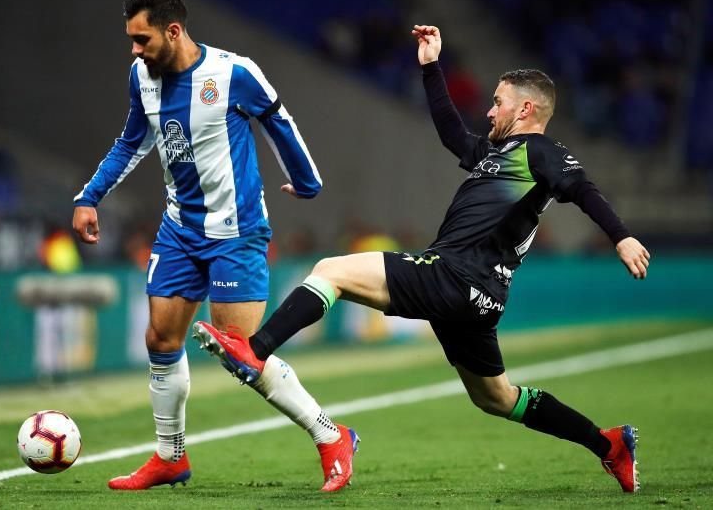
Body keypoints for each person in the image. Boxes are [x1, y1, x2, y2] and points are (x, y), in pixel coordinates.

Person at [192, 24, 651, 493]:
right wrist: (431, 67)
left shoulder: (542, 151)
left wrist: (622, 237)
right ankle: (609, 445)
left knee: (331, 271)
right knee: (496, 398)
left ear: (525, 108)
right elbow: (453, 134)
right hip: (479, 296)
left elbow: (583, 189)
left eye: (498, 101)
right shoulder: (498, 154)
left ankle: (255, 350)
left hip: (455, 276)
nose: (490, 110)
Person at [72, 0, 357, 492]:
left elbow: (279, 123)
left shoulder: (233, 73)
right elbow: (131, 140)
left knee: (242, 353)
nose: (135, 50)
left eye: (142, 39)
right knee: (161, 337)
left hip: (236, 235)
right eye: (131, 40)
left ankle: (331, 434)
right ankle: (170, 457)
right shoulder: (142, 75)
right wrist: (89, 196)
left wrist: (308, 181)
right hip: (179, 230)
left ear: (173, 30)